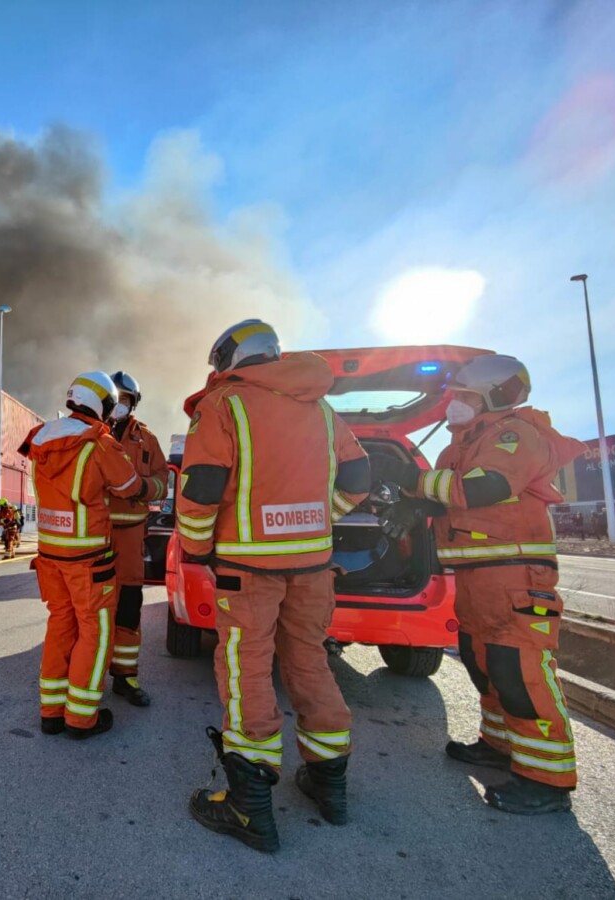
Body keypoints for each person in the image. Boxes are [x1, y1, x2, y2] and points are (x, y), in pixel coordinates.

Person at [177, 320, 370, 852]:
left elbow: (202, 488)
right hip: (312, 566)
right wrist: (316, 524)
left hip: (247, 569)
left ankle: (249, 807)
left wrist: (197, 548)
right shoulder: (320, 407)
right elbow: (358, 479)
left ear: (230, 359)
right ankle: (330, 788)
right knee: (309, 661)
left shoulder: (226, 404)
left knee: (246, 669)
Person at [375, 354, 586, 815]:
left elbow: (485, 487)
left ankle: (548, 781)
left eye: (465, 396)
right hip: (475, 578)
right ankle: (498, 744)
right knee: (481, 662)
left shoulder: (514, 435)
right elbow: (450, 498)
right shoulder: (461, 446)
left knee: (520, 672)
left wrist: (412, 480)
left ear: (497, 393)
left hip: (514, 577)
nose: (455, 404)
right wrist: (416, 508)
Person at [18, 372, 154, 739]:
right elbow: (129, 486)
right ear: (101, 405)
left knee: (61, 626)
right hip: (89, 560)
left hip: (50, 556)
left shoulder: (42, 440)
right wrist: (149, 487)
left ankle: (51, 713)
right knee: (95, 632)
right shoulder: (99, 444)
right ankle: (81, 719)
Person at [105, 371, 169, 707]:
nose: (118, 405)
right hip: (93, 539)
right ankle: (83, 675)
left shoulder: (147, 439)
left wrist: (144, 488)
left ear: (133, 403)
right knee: (89, 611)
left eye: (125, 399)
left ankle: (125, 678)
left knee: (128, 609)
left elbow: (162, 479)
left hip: (130, 541)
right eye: (114, 398)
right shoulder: (89, 435)